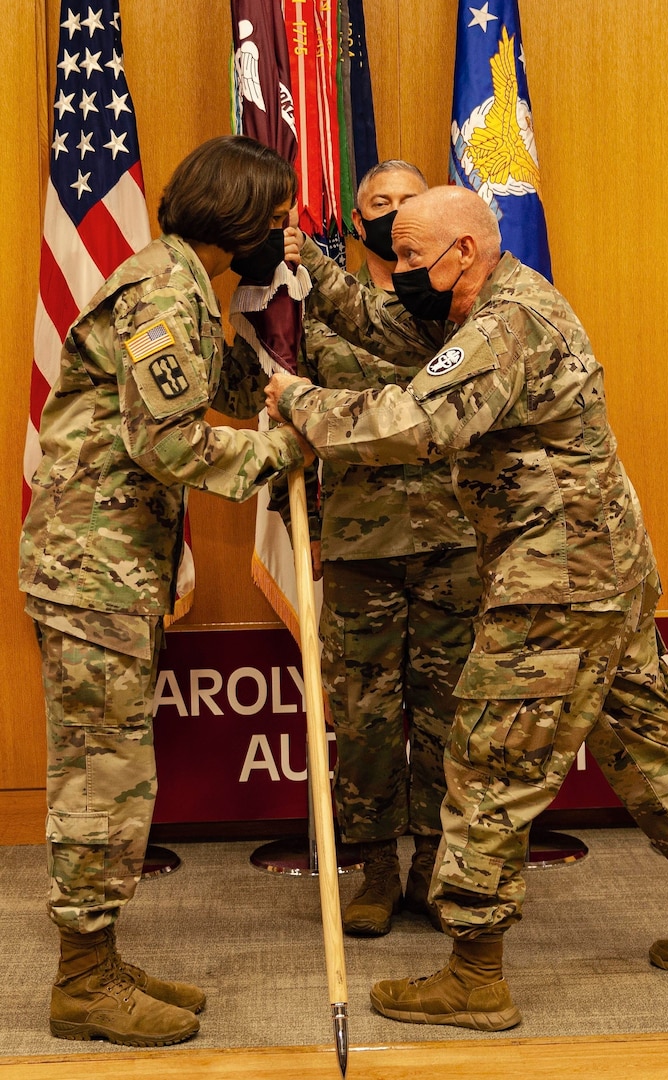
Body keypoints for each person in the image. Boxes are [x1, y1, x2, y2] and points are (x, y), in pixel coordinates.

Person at [265, 184, 668, 1032]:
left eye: (409, 257)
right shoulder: (487, 305)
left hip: (556, 582)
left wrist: (300, 402)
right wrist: (313, 273)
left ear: (462, 253)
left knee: (486, 761)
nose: (398, 273)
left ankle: (475, 973)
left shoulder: (507, 324)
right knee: (653, 752)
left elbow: (414, 421)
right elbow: (390, 330)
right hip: (601, 572)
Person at [19, 135, 314, 1047]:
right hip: (93, 569)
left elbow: (211, 380)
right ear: (235, 221)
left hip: (114, 565)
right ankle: (82, 984)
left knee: (113, 768)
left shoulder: (186, 284)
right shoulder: (157, 292)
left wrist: (281, 364)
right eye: (274, 220)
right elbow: (171, 445)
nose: (283, 233)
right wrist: (280, 450)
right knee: (101, 777)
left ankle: (97, 961)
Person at [270, 161, 481, 937]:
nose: (392, 213)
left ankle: (431, 862)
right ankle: (376, 868)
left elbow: (399, 398)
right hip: (361, 541)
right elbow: (282, 390)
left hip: (452, 538)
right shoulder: (319, 314)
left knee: (445, 713)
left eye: (406, 202)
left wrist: (328, 408)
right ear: (358, 223)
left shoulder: (455, 305)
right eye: (377, 204)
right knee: (361, 716)